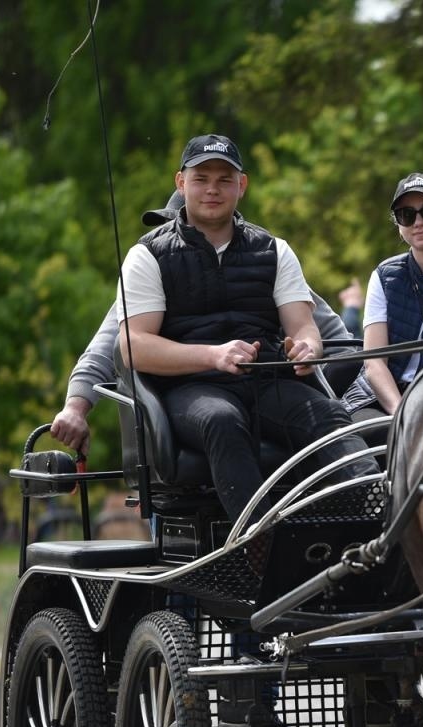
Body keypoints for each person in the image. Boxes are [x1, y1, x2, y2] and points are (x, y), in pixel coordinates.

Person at [113, 134, 377, 520]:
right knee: (222, 420)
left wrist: (308, 349)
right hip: (191, 389)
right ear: (181, 183)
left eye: (225, 179)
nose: (213, 189)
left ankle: (376, 514)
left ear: (242, 185)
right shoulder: (148, 255)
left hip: (267, 381)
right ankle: (256, 541)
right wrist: (213, 356)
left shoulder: (274, 250)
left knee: (329, 415)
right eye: (201, 179)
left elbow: (304, 328)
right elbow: (133, 346)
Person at [49, 192, 358, 454]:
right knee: (221, 420)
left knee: (322, 415)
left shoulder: (260, 269)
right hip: (192, 402)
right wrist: (75, 407)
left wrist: (311, 364)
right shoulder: (151, 277)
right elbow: (109, 347)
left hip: (268, 391)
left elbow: (334, 338)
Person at [342, 172, 423, 435]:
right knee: (361, 437)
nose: (418, 222)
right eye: (406, 215)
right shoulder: (384, 275)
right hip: (381, 399)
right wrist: (400, 412)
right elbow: (374, 363)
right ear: (398, 224)